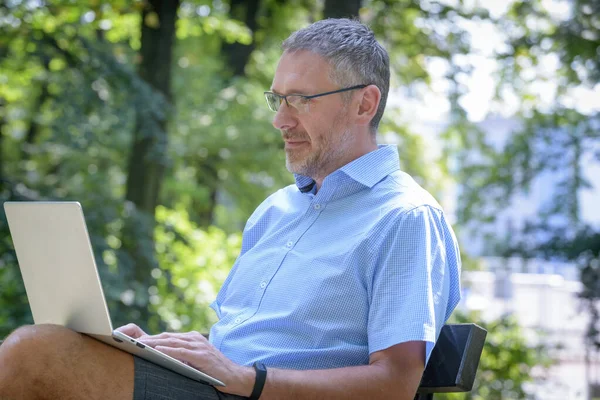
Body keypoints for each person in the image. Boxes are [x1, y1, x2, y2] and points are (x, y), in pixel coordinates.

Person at [0, 18, 461, 400]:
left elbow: (397, 383)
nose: (281, 119)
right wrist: (166, 349)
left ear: (364, 103)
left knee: (36, 354)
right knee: (54, 347)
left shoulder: (406, 217)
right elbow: (241, 339)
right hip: (219, 387)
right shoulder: (276, 210)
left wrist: (250, 380)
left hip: (250, 393)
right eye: (277, 99)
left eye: (301, 100)